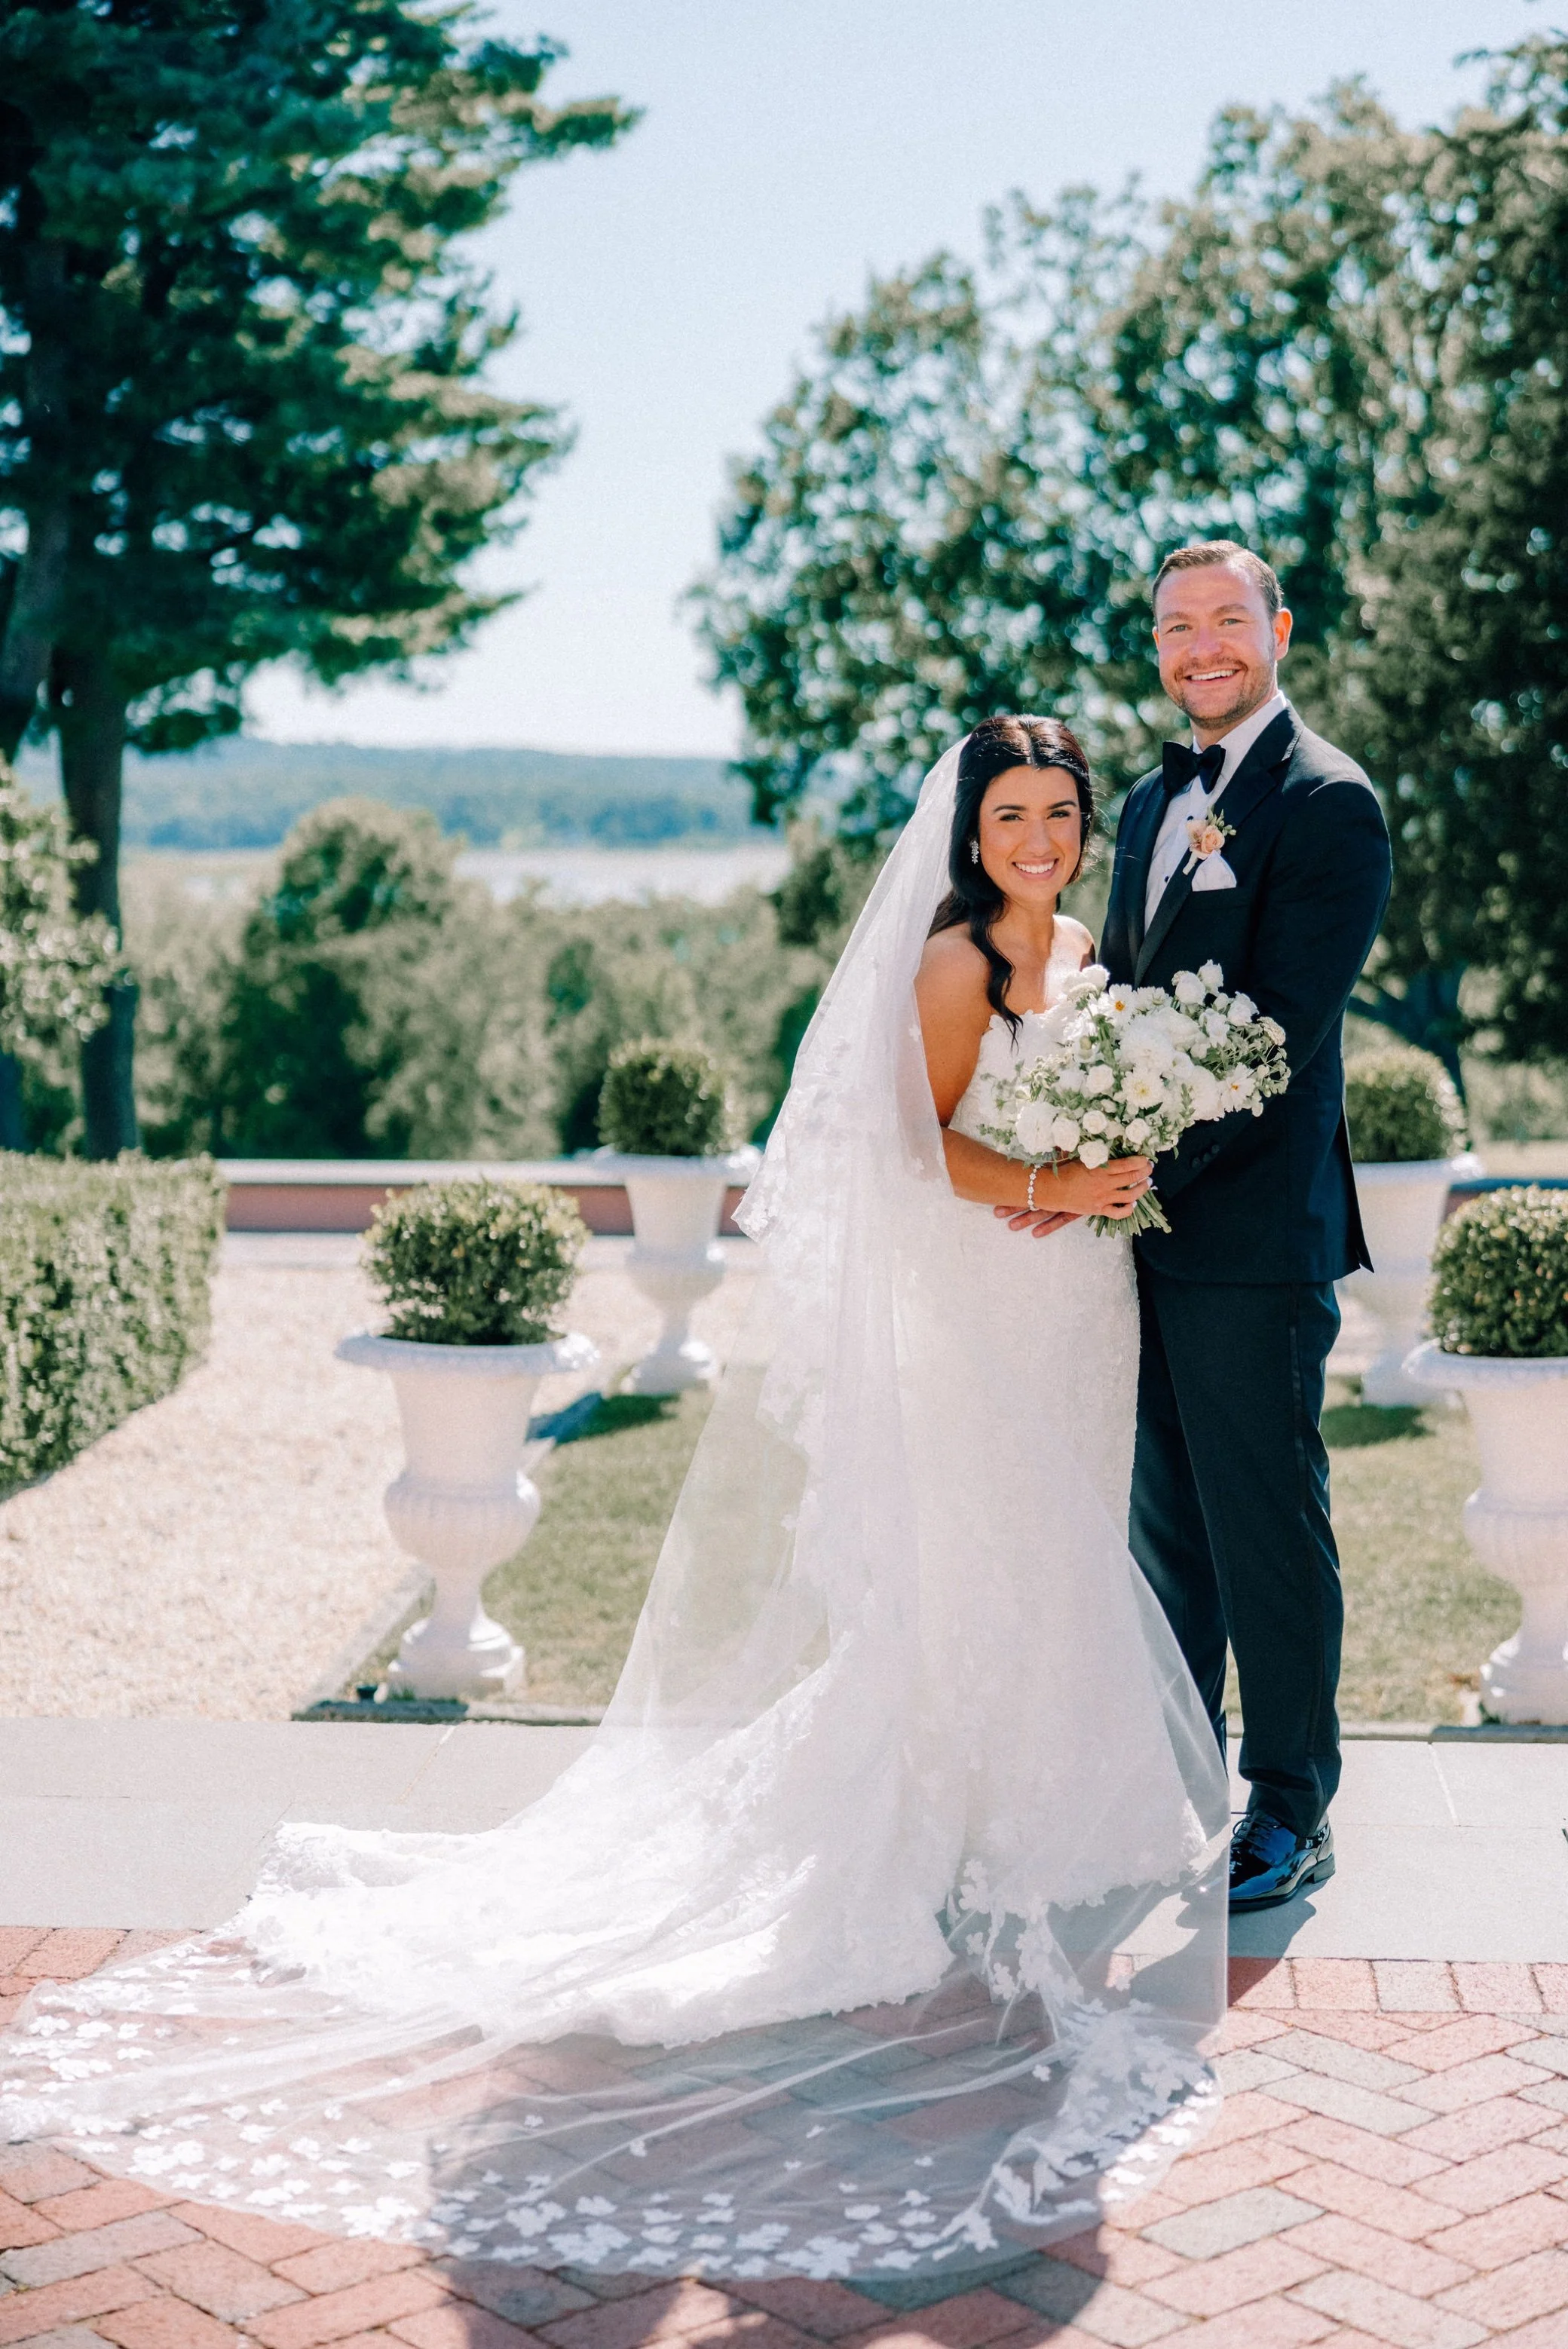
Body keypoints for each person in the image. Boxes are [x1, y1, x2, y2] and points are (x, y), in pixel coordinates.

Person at [0, 721, 1227, 2286]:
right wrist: (1060, 1183)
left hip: (1077, 1307)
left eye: (1058, 812)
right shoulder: (952, 964)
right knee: (977, 1553)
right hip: (984, 1305)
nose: (1038, 837)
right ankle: (933, 1826)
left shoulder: (1087, 952)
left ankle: (1033, 1807)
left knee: (1058, 1545)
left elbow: (1089, 1107)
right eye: (1010, 814)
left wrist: (1118, 1157)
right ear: (968, 832)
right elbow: (919, 1158)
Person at [1085, 541, 1390, 1912]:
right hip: (1136, 1233)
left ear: (1279, 630)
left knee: (1265, 1521)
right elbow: (1116, 996)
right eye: (1175, 626)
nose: (1201, 646)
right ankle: (1178, 1782)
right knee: (1169, 1528)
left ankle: (1292, 1804)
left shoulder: (1329, 803)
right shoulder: (1150, 800)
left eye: (1226, 620)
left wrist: (1141, 1168)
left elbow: (1279, 1034)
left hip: (1256, 1235)